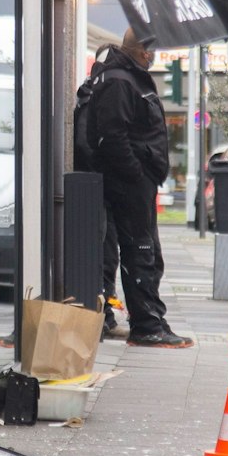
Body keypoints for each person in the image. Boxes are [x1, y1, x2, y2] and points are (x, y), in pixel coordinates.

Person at [76, 29, 192, 347]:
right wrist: (135, 173)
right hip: (128, 183)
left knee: (144, 252)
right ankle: (147, 325)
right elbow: (113, 135)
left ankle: (148, 320)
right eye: (150, 49)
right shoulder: (119, 80)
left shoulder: (126, 77)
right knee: (140, 252)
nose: (153, 55)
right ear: (140, 50)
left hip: (135, 182)